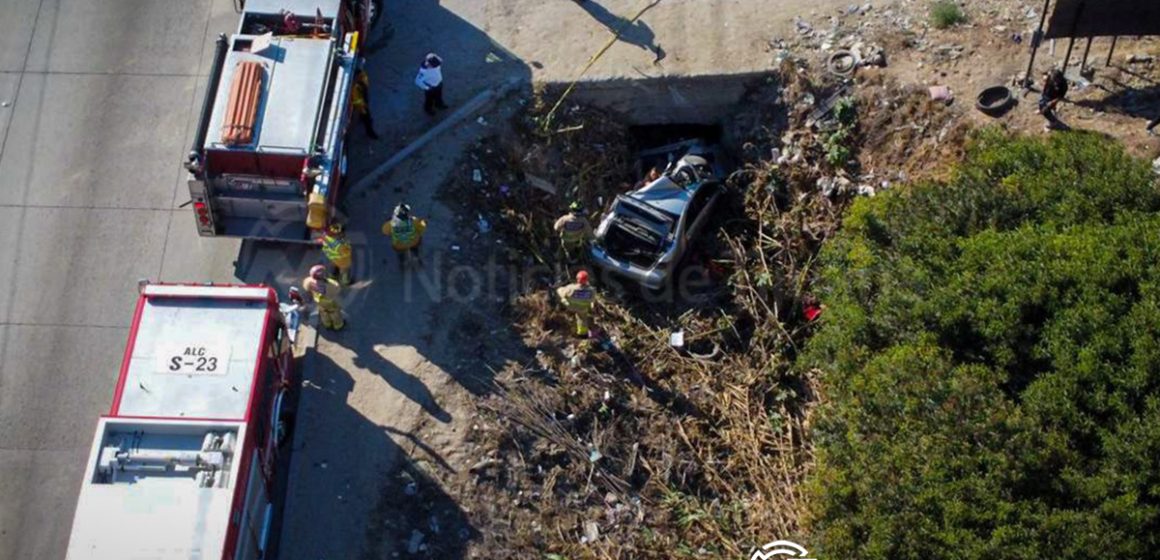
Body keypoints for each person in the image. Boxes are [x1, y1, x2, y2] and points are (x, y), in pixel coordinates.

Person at [381, 203, 427, 267]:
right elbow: (422, 226)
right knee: (416, 243)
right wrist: (420, 230)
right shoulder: (413, 220)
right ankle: (417, 257)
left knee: (400, 249)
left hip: (399, 244)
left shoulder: (391, 223)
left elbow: (384, 231)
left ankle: (402, 261)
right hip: (413, 242)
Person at [302, 265, 345, 331]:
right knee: (334, 312)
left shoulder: (311, 283)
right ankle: (338, 325)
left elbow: (306, 285)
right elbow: (337, 288)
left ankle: (327, 324)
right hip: (329, 301)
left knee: (324, 313)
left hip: (319, 301)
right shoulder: (328, 285)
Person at [555, 270, 596, 338]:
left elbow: (562, 294)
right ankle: (582, 334)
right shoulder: (591, 290)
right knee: (583, 320)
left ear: (577, 279)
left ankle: (559, 308)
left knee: (559, 291)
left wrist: (559, 289)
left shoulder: (571, 288)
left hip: (570, 306)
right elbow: (592, 300)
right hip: (583, 309)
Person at [320, 221, 353, 285]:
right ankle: (345, 281)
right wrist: (348, 247)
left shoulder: (326, 237)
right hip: (341, 259)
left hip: (331, 256)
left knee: (333, 265)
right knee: (344, 270)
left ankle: (332, 275)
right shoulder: (339, 244)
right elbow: (346, 253)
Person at [351, 65, 379, 139]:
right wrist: (363, 109)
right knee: (367, 118)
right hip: (362, 105)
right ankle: (370, 132)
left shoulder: (361, 80)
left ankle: (363, 121)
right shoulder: (358, 85)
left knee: (365, 117)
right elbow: (357, 101)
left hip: (363, 102)